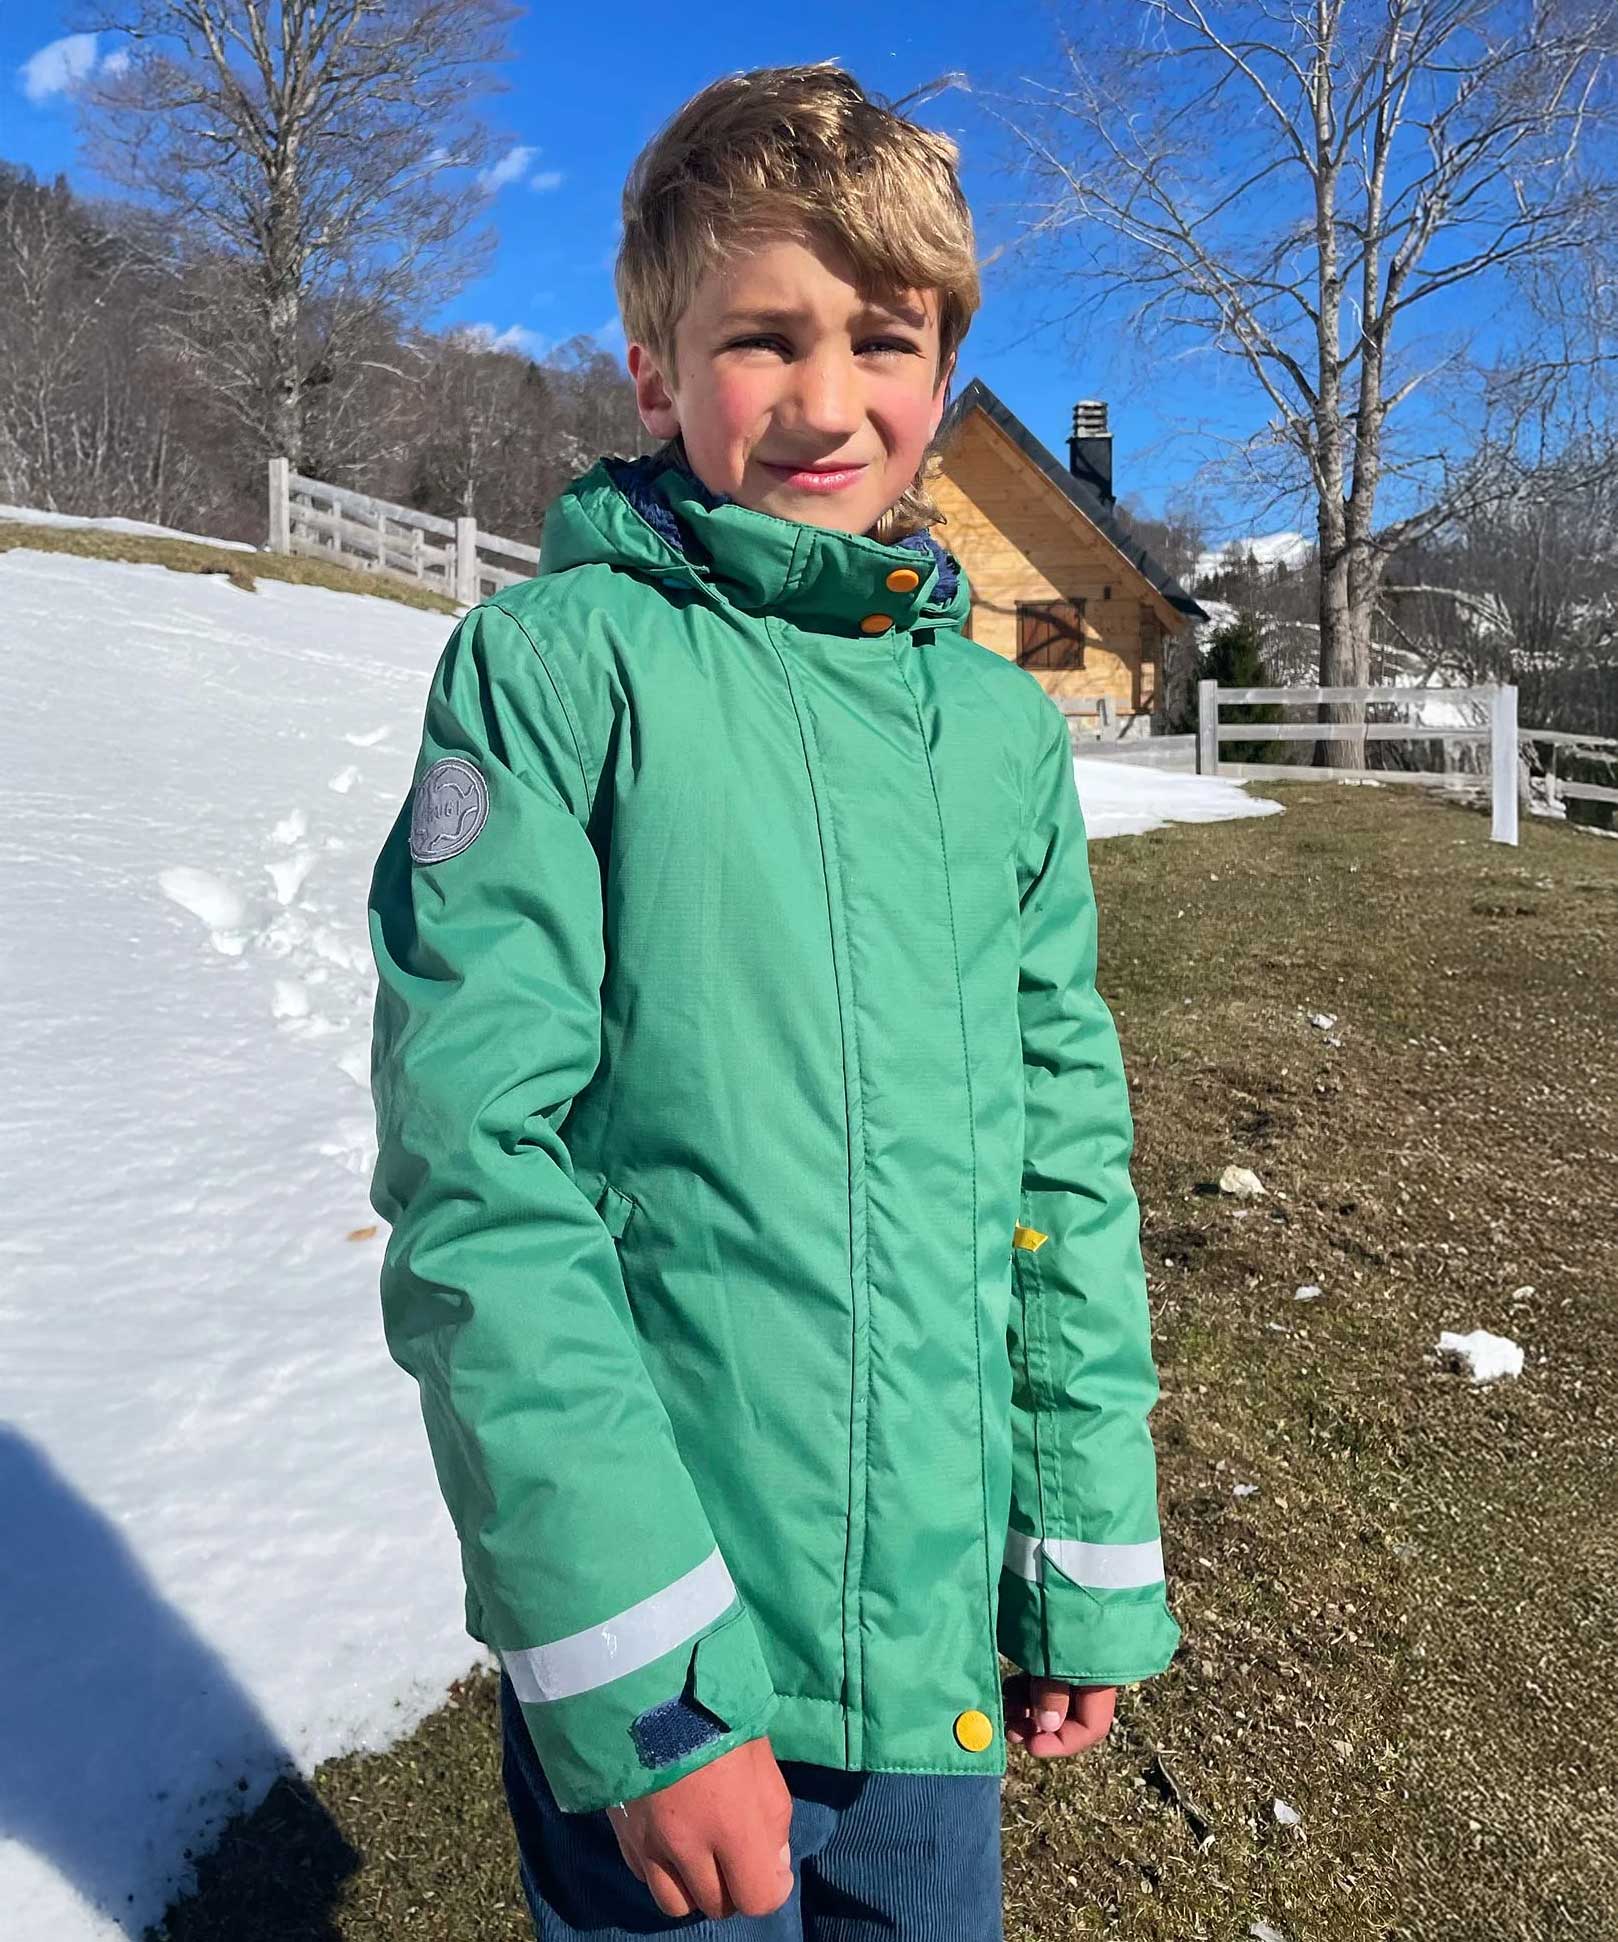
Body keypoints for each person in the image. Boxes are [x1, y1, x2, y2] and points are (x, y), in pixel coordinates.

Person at [366, 60, 1181, 1942]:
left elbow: (1061, 1155)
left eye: (882, 339)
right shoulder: (553, 674)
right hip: (684, 1650)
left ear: (942, 365)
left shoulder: (996, 733)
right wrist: (647, 1683)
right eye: (762, 338)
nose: (827, 401)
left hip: (931, 1675)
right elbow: (480, 1174)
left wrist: (1075, 1557)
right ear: (657, 375)